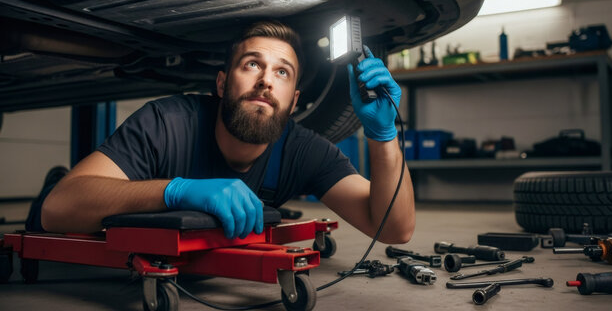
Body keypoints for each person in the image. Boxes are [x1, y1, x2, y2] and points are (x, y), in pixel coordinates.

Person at [38, 20, 415, 243]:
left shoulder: (301, 150)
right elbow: (58, 211)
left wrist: (383, 137)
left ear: (294, 99)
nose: (266, 80)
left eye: (282, 72)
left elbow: (394, 229)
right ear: (221, 84)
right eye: (252, 64)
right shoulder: (167, 123)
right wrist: (176, 190)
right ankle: (54, 173)